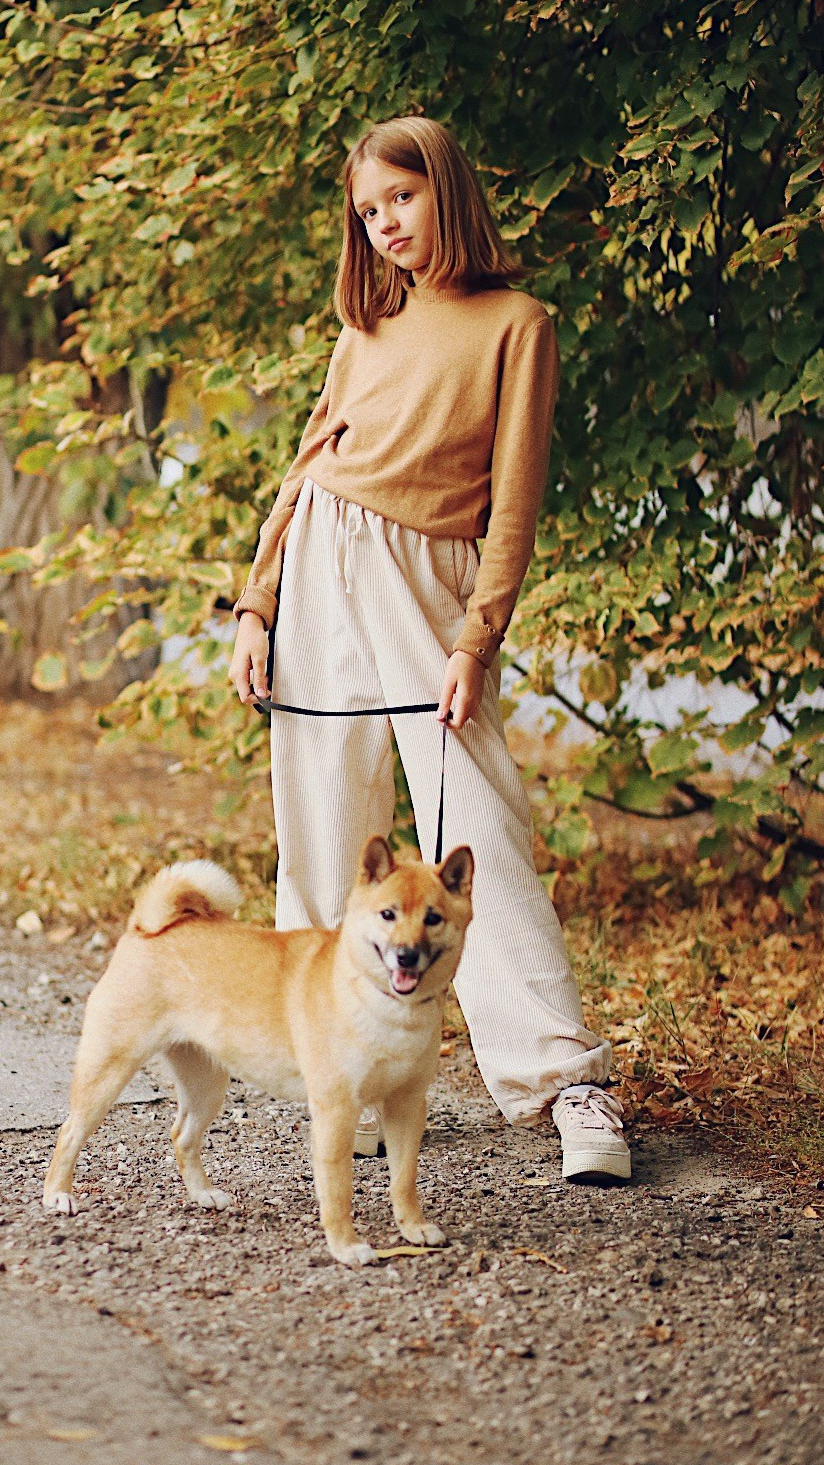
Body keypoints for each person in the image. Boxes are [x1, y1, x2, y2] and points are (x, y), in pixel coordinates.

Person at [228, 115, 629, 1183]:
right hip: (317, 569)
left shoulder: (516, 325)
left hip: (426, 587)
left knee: (476, 831)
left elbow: (513, 508)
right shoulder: (365, 328)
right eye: (366, 213)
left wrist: (473, 639)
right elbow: (304, 467)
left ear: (440, 188)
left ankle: (562, 1083)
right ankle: (341, 1072)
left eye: (396, 199)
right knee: (323, 828)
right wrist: (255, 605)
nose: (383, 225)